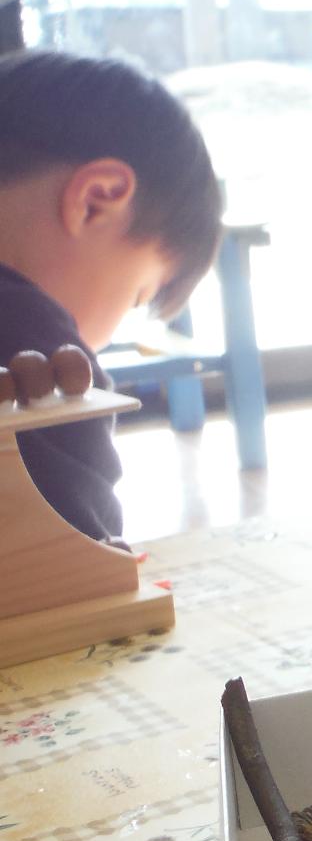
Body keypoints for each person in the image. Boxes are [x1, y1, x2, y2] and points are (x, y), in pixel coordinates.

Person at [0, 49, 223, 542]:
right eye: (135, 297)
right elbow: (84, 583)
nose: (96, 344)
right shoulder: (27, 341)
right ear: (96, 202)